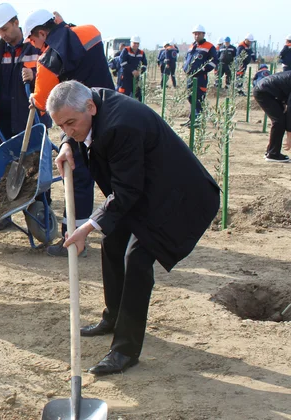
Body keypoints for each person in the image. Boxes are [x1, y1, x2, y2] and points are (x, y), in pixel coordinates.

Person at [48, 81, 220, 375]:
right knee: (113, 241)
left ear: (90, 108)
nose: (68, 129)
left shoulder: (121, 126)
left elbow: (126, 192)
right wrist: (66, 143)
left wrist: (86, 228)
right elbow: (77, 129)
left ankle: (124, 351)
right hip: (144, 188)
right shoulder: (89, 101)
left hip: (177, 197)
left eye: (70, 124)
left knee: (137, 261)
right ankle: (113, 317)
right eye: (61, 125)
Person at [21, 8, 115, 258]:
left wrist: (34, 96)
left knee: (76, 177)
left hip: (79, 123)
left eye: (33, 39)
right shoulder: (90, 33)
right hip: (109, 110)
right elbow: (73, 39)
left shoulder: (47, 62)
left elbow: (42, 101)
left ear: (42, 33)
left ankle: (72, 239)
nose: (33, 45)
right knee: (113, 174)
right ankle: (126, 228)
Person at [0, 2, 42, 231]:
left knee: (34, 167)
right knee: (2, 165)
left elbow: (53, 71)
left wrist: (35, 74)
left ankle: (39, 213)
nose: (3, 34)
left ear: (16, 23)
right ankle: (0, 215)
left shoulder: (36, 46)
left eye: (5, 29)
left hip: (30, 118)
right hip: (2, 119)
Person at [182, 24, 218, 127]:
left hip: (200, 78)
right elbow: (187, 59)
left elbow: (214, 61)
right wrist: (185, 68)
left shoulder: (209, 47)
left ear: (203, 34)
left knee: (198, 98)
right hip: (190, 77)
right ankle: (192, 119)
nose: (196, 36)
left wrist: (202, 70)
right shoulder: (192, 46)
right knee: (190, 97)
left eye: (198, 34)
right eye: (195, 34)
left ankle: (198, 120)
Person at [253, 70, 291, 163]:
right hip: (264, 92)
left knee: (280, 119)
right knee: (279, 121)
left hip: (271, 91)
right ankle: (273, 154)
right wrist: (289, 136)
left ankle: (271, 151)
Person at [115, 36, 147, 101]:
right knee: (123, 93)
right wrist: (132, 70)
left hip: (135, 77)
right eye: (134, 43)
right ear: (131, 43)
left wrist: (140, 71)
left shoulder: (141, 53)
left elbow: (145, 64)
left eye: (137, 43)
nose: (135, 45)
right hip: (125, 76)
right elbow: (122, 62)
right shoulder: (126, 50)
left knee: (137, 93)